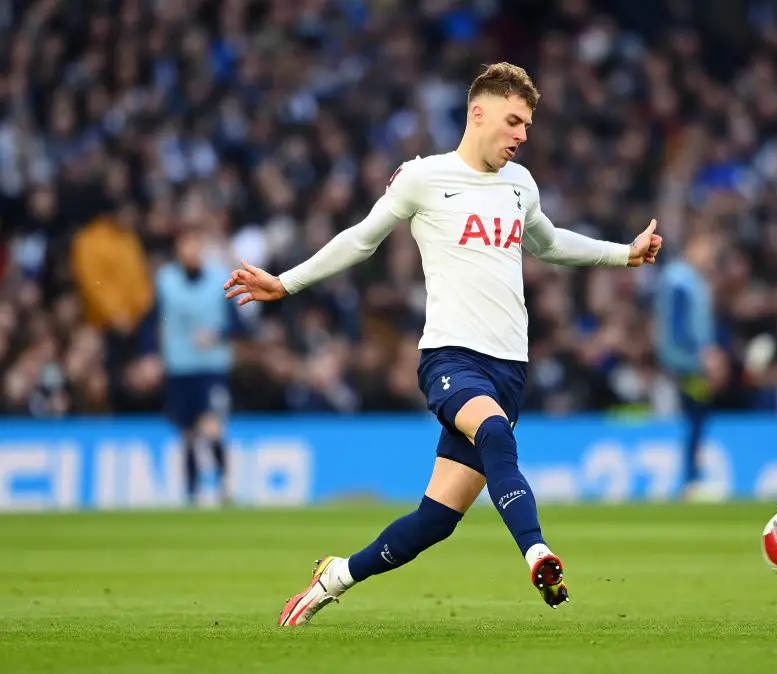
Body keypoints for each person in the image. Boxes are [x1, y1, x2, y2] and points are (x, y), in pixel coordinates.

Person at [224, 62, 663, 626]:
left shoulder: (520, 184)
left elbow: (550, 244)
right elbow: (361, 240)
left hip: (510, 368)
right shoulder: (423, 178)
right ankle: (538, 552)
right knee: (496, 432)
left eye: (526, 125)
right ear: (477, 113)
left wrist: (622, 253)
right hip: (451, 358)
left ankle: (334, 576)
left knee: (435, 520)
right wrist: (286, 282)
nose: (522, 135)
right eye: (514, 121)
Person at [153, 227, 246, 506]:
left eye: (196, 244)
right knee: (188, 433)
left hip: (211, 367)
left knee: (211, 426)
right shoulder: (165, 281)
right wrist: (149, 354)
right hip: (179, 366)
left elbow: (239, 325)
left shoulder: (221, 279)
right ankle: (192, 492)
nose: (191, 250)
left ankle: (225, 483)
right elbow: (152, 319)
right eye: (186, 244)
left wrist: (216, 334)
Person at [654, 235, 718, 498]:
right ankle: (690, 481)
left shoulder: (686, 279)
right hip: (686, 364)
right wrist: (702, 354)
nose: (710, 257)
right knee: (695, 417)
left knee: (696, 417)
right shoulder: (681, 280)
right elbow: (679, 325)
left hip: (688, 362)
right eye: (706, 249)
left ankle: (692, 479)